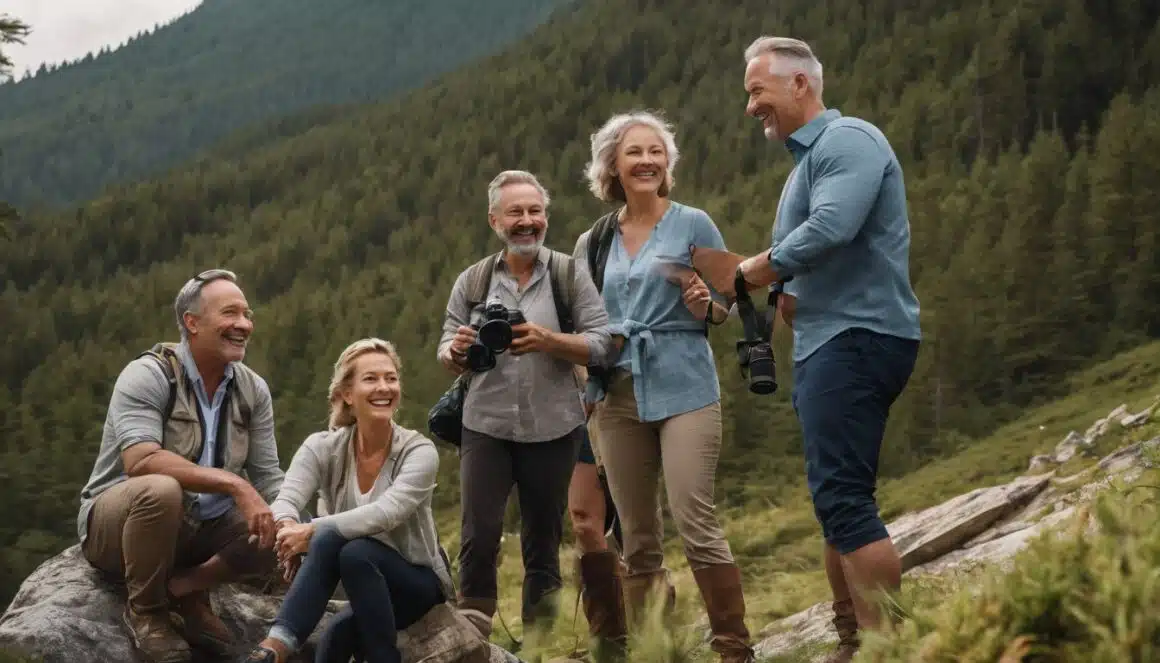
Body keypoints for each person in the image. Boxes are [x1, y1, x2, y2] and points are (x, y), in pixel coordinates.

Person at [690, 37, 923, 663]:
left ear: (801, 85)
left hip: (855, 338)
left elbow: (829, 230)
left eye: (756, 91)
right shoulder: (807, 165)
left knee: (844, 499)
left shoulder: (849, 142)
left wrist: (748, 271)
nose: (749, 108)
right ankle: (854, 638)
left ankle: (883, 647)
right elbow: (809, 264)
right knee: (837, 496)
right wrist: (738, 301)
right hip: (834, 340)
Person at [576, 110, 755, 663]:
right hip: (618, 397)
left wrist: (710, 307)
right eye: (635, 152)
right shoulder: (595, 241)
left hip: (685, 385)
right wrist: (585, 394)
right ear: (613, 165)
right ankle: (658, 652)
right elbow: (585, 323)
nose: (648, 160)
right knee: (636, 536)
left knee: (694, 518)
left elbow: (731, 300)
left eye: (656, 152)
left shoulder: (694, 224)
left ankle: (734, 649)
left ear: (667, 164)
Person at [437, 170, 616, 635]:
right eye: (515, 212)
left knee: (543, 540)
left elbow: (601, 343)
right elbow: (446, 346)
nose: (527, 221)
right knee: (478, 538)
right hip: (486, 423)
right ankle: (473, 640)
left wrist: (547, 340)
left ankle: (540, 644)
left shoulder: (567, 274)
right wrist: (454, 350)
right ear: (494, 219)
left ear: (546, 218)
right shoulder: (473, 280)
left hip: (555, 426)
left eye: (535, 211)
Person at [76, 269, 285, 663]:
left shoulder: (252, 389)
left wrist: (296, 525)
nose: (244, 324)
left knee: (282, 521)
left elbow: (270, 477)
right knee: (161, 489)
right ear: (192, 322)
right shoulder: (149, 374)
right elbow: (141, 460)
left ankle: (185, 589)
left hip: (198, 530)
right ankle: (147, 612)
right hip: (119, 527)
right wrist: (234, 485)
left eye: (247, 314)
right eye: (230, 314)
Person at [238, 338, 455, 663]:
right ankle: (272, 653)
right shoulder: (322, 447)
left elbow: (387, 513)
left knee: (349, 548)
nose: (384, 387)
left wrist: (309, 533)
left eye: (391, 378)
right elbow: (286, 499)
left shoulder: (417, 451)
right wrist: (287, 529)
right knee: (333, 642)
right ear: (347, 395)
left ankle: (275, 647)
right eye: (371, 379)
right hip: (363, 583)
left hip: (417, 581)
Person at [566, 364, 627, 659]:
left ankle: (653, 626)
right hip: (564, 406)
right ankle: (609, 644)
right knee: (584, 524)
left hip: (618, 394)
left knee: (633, 522)